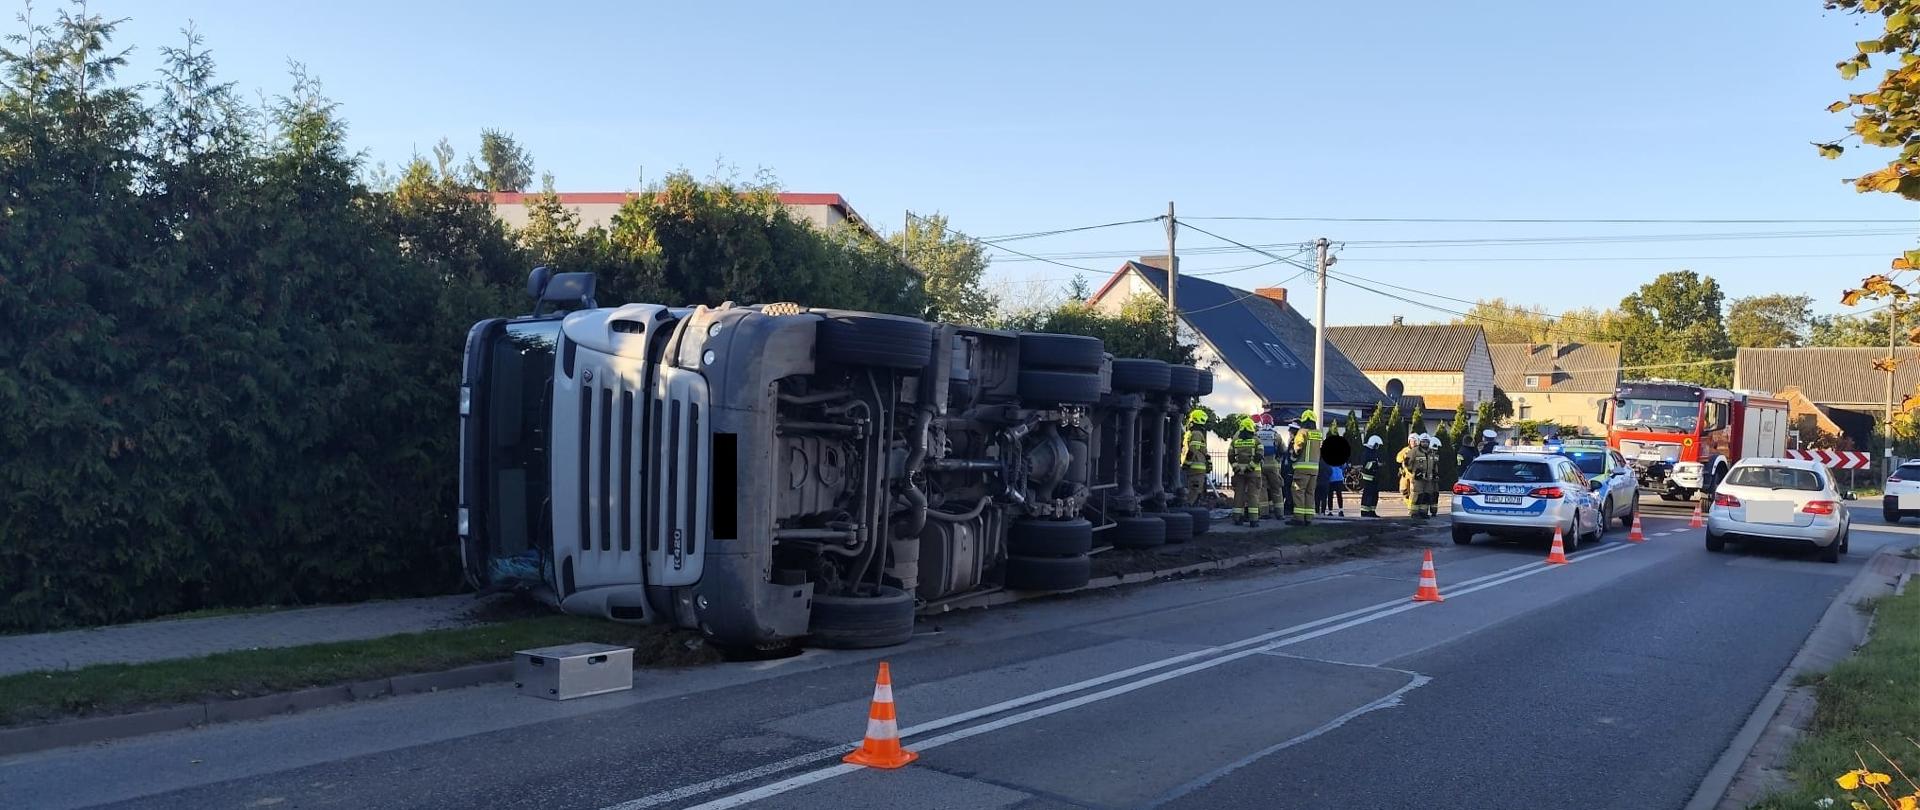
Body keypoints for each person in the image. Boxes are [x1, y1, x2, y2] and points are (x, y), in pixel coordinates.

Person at [1228, 416, 1265, 526]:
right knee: (1253, 495)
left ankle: (1237, 518)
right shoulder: (1257, 440)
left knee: (1238, 495)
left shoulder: (1235, 441)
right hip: (1254, 473)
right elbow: (1259, 456)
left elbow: (1230, 456)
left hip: (1239, 473)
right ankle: (1253, 520)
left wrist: (1236, 468)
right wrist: (1250, 467)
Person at [1289, 411, 1324, 526]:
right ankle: (1308, 518)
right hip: (1314, 470)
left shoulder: (1302, 432)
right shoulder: (1318, 433)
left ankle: (1298, 518)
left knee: (1298, 492)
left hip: (1302, 468)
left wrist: (1293, 458)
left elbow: (1298, 447)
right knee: (1310, 493)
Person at [1256, 414, 1286, 520]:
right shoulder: (1276, 435)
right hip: (1273, 466)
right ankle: (1280, 513)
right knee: (1276, 488)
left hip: (1260, 466)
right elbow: (1283, 450)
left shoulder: (1257, 435)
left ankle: (1264, 513)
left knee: (1262, 489)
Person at [1183, 409, 1211, 506]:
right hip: (1196, 469)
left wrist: (1186, 463)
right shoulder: (1197, 434)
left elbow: (1195, 450)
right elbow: (1194, 450)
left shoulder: (1193, 434)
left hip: (1194, 468)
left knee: (1194, 491)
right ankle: (1190, 507)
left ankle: (1190, 507)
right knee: (1195, 491)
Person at [1410, 434, 1442, 519]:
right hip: (1418, 479)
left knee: (1426, 496)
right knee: (1418, 495)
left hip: (1429, 479)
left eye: (1426, 442)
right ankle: (1414, 513)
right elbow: (1407, 463)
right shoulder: (1414, 451)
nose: (1425, 443)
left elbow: (1434, 464)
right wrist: (1414, 473)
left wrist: (1435, 474)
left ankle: (1423, 513)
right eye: (1423, 441)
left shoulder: (1431, 452)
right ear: (1420, 442)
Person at [1359, 435, 1384, 517]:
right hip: (1368, 478)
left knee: (1374, 495)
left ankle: (1372, 511)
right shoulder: (1366, 452)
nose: (1378, 447)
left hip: (1374, 478)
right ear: (1374, 444)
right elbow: (1366, 465)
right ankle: (1364, 512)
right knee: (1368, 495)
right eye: (1377, 445)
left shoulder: (1373, 452)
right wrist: (1376, 464)